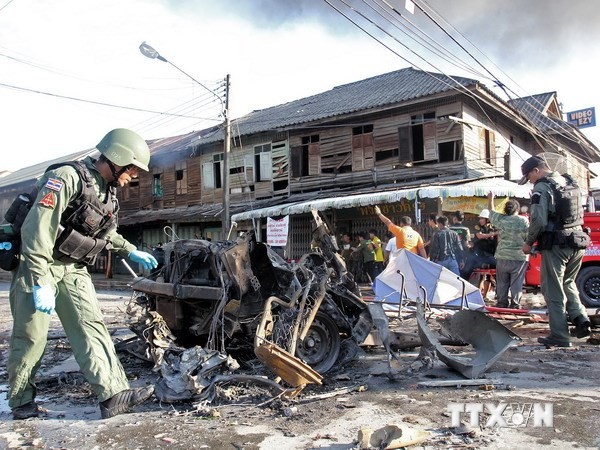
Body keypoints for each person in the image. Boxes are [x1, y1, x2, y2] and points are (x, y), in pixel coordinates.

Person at [7, 128, 158, 420]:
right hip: (38, 263)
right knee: (31, 337)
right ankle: (22, 402)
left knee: (91, 326)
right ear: (117, 159)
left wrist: (129, 250)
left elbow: (105, 232)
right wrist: (40, 280)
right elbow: (36, 231)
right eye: (132, 169)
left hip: (73, 267)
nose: (134, 176)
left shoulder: (106, 191)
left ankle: (113, 395)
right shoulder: (65, 177)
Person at [520, 155, 591, 347]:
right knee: (568, 282)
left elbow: (539, 220)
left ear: (536, 170)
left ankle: (559, 335)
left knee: (553, 289)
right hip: (578, 240)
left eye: (529, 177)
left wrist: (528, 242)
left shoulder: (542, 187)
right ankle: (580, 317)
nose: (530, 182)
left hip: (557, 243)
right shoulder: (569, 181)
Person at [488, 193, 529, 308]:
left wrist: (490, 199)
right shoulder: (523, 220)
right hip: (519, 256)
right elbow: (528, 236)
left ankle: (502, 303)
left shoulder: (501, 219)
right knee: (516, 282)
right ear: (517, 209)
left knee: (502, 282)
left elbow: (491, 212)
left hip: (502, 256)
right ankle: (515, 304)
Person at [461, 209, 498, 283]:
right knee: (465, 272)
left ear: (488, 219)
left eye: (482, 218)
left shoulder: (493, 228)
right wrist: (493, 234)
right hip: (476, 255)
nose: (480, 220)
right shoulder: (477, 227)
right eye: (480, 218)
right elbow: (479, 236)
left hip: (488, 256)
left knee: (500, 268)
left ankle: (499, 290)